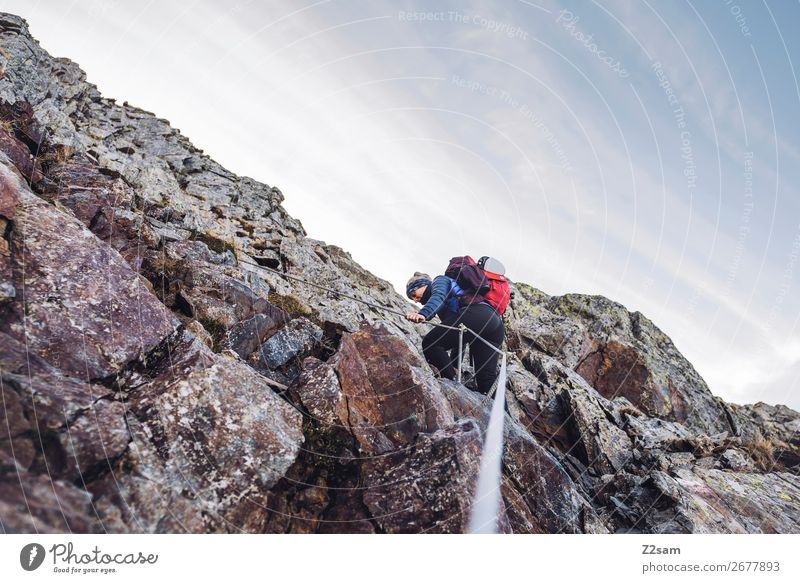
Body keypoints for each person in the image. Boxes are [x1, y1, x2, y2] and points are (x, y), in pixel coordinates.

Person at [405, 271, 505, 395]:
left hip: (479, 314)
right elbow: (458, 335)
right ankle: (504, 414)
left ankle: (453, 390)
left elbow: (439, 296)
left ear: (423, 284)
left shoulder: (439, 281)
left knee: (431, 343)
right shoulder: (449, 306)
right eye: (412, 298)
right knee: (486, 378)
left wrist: (423, 314)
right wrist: (454, 364)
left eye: (413, 293)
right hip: (494, 324)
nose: (415, 300)